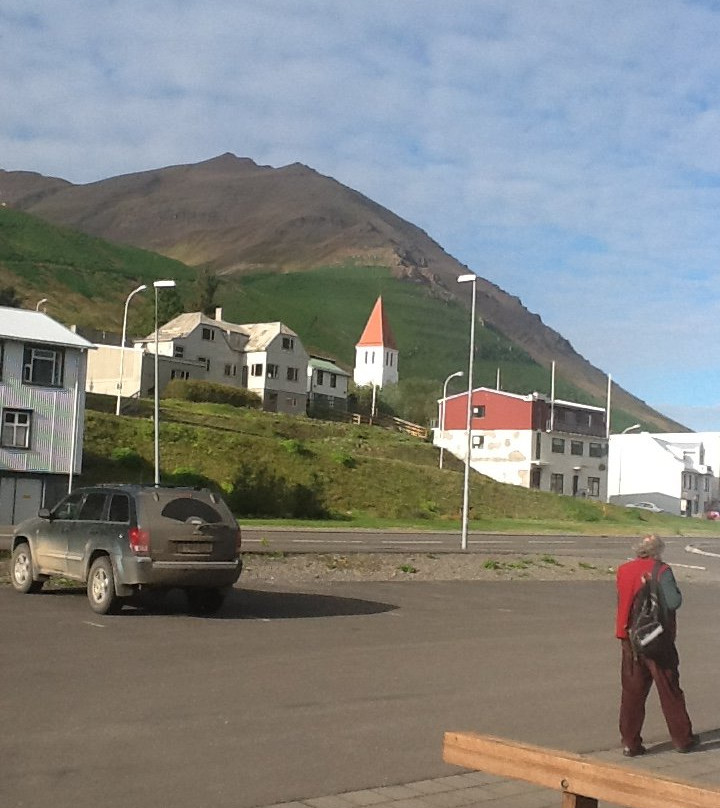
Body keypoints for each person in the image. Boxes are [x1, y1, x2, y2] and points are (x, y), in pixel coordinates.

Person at [615, 533, 699, 756]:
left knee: (632, 693)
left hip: (629, 637)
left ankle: (630, 743)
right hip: (656, 637)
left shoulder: (623, 570)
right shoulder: (661, 570)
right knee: (669, 688)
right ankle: (682, 739)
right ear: (658, 551)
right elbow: (674, 601)